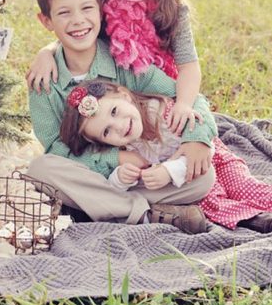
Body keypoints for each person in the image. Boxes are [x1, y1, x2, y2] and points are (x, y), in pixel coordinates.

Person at [26, 0, 216, 233]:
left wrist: (199, 137)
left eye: (87, 9)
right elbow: (56, 149)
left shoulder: (124, 60)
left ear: (101, 8)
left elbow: (186, 96)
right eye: (64, 13)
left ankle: (98, 208)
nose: (78, 21)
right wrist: (115, 159)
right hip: (93, 173)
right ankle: (146, 215)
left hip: (144, 173)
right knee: (41, 170)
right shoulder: (44, 81)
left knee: (203, 176)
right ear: (46, 21)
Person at [27, 0, 200, 136]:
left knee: (192, 142)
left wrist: (184, 104)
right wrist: (47, 51)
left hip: (161, 91)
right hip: (113, 104)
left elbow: (189, 65)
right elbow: (77, 31)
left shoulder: (172, 9)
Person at [60, 79, 272, 233]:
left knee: (243, 185)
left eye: (115, 111)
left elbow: (199, 149)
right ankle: (254, 219)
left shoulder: (162, 113)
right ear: (104, 143)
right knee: (209, 202)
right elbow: (117, 184)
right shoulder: (127, 147)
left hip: (211, 160)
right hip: (189, 181)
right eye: (107, 131)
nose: (120, 126)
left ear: (125, 96)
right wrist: (120, 177)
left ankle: (260, 205)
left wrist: (169, 171)